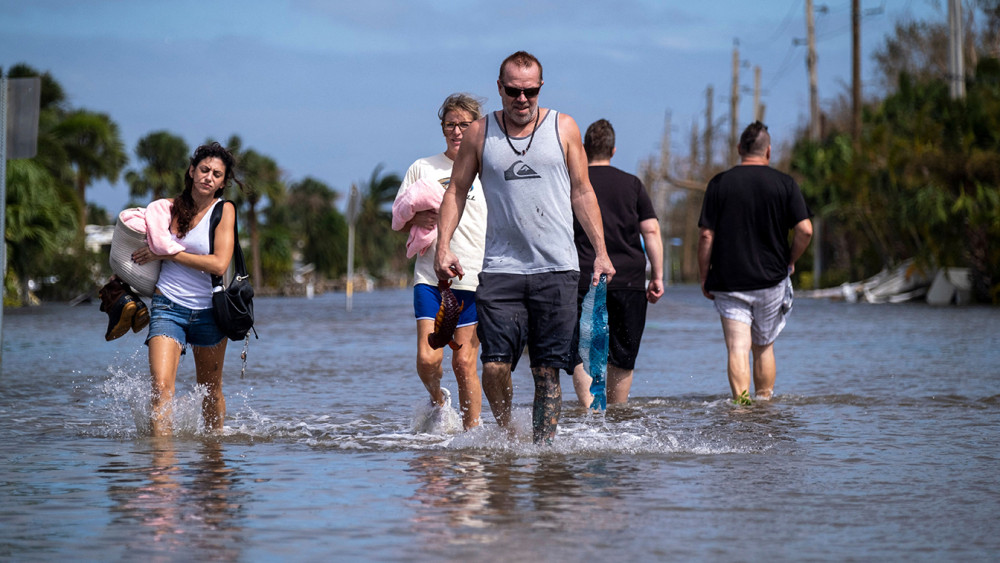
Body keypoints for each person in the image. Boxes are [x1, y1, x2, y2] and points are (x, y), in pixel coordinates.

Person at [434, 51, 615, 444]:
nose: (521, 99)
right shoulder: (481, 133)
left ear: (540, 88)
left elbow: (583, 192)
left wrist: (600, 252)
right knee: (494, 367)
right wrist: (442, 247)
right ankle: (509, 439)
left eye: (530, 91)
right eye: (513, 91)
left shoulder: (563, 128)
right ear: (499, 88)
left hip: (557, 269)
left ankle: (543, 454)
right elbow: (457, 192)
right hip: (502, 268)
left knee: (547, 371)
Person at [131, 142, 244, 435]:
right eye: (204, 169)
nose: (209, 177)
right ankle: (163, 469)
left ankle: (213, 451)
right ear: (192, 171)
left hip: (210, 311)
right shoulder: (168, 209)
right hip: (168, 305)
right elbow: (138, 244)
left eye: (217, 174)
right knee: (161, 388)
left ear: (223, 182)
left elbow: (219, 264)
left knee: (210, 391)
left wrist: (167, 253)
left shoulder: (224, 210)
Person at [697, 121, 813, 403]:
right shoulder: (784, 183)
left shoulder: (719, 183)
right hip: (772, 280)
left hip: (729, 280)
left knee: (737, 347)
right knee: (763, 347)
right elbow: (805, 230)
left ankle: (742, 408)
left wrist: (704, 275)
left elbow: (706, 235)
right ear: (768, 151)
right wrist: (791, 261)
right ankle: (764, 405)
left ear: (739, 149)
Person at [393, 93, 486, 431]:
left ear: (476, 127)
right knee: (428, 357)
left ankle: (471, 437)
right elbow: (399, 220)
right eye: (450, 124)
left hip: (474, 278)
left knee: (464, 363)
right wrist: (417, 216)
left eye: (464, 124)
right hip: (430, 277)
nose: (457, 131)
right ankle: (438, 401)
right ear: (442, 127)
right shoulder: (423, 168)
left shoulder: (488, 168)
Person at [570, 119, 664, 408]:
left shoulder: (574, 182)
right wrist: (657, 275)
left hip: (583, 277)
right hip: (629, 281)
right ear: (613, 149)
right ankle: (617, 416)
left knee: (581, 351)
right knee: (622, 354)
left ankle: (590, 414)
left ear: (584, 149)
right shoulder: (632, 184)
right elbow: (651, 230)